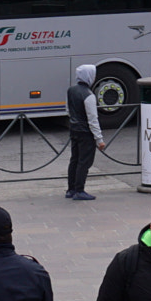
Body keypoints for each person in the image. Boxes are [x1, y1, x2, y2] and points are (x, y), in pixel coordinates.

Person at [65, 62, 103, 201]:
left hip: (74, 130)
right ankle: (80, 190)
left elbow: (68, 110)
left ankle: (71, 189)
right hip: (86, 133)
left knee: (74, 159)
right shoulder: (89, 95)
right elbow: (93, 119)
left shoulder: (71, 90)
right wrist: (99, 139)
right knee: (84, 162)